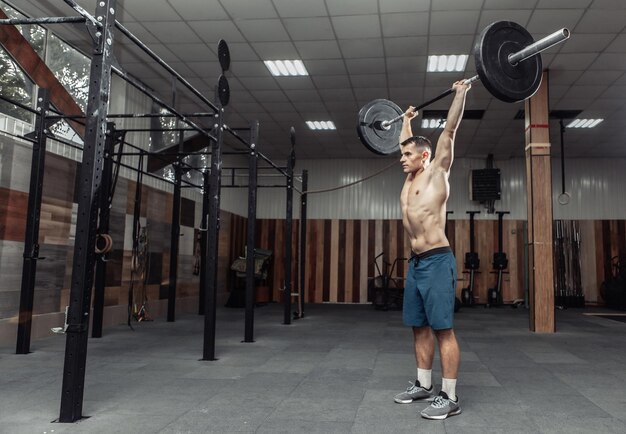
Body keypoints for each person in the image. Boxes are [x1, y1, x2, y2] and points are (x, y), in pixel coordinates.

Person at [393, 80, 470, 420]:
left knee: (443, 330)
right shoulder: (409, 180)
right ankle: (424, 385)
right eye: (401, 154)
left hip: (438, 261)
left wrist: (460, 95)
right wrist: (407, 119)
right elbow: (403, 140)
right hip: (416, 263)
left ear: (425, 156)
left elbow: (450, 130)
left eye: (407, 155)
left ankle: (449, 395)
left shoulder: (437, 171)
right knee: (418, 326)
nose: (401, 158)